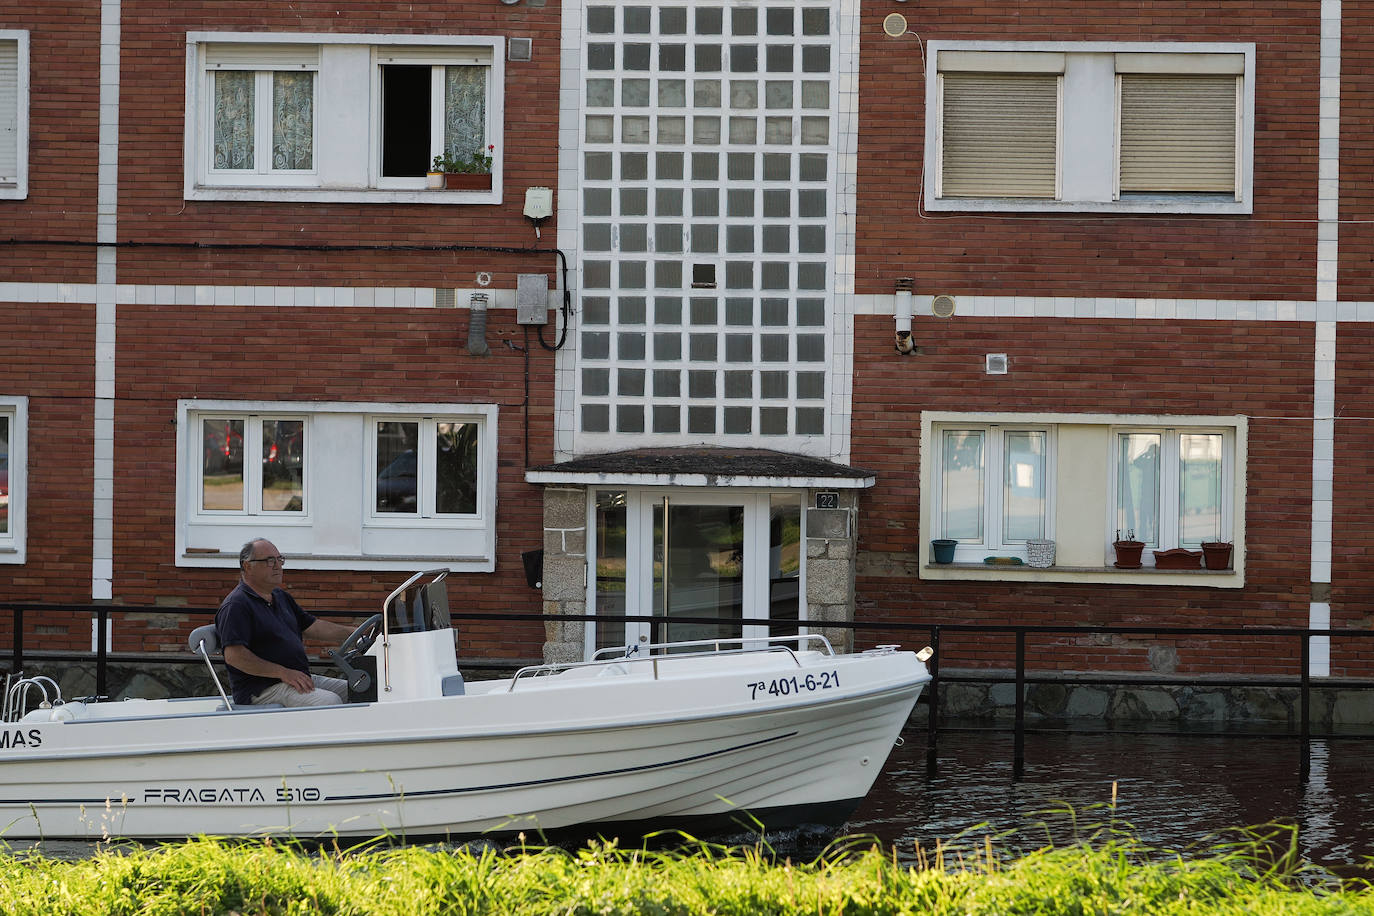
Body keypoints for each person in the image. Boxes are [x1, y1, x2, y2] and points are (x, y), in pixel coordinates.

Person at [216, 538, 358, 707]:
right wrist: (283, 673)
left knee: (363, 689)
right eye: (269, 561)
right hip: (262, 689)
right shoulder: (237, 605)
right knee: (330, 701)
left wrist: (355, 632)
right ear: (247, 566)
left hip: (294, 678)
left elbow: (313, 626)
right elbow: (235, 656)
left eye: (279, 559)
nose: (277, 565)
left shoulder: (280, 596)